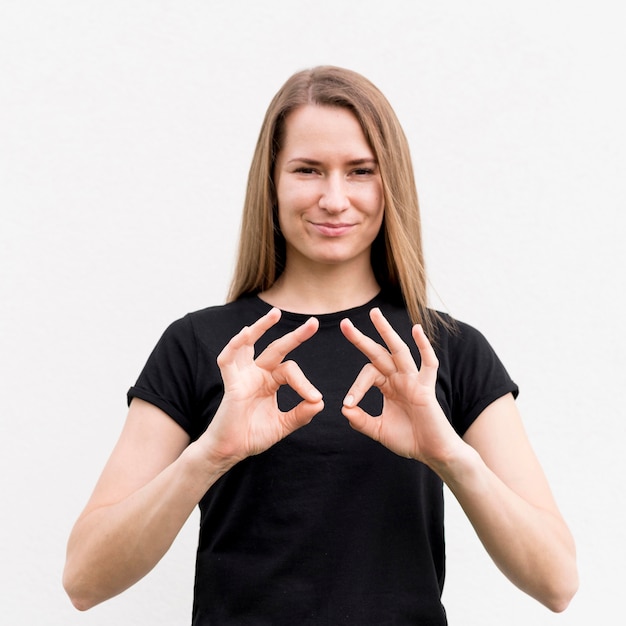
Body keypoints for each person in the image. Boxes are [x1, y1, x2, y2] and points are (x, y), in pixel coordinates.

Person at [63, 66, 578, 624]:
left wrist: (449, 455)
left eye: (360, 172)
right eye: (308, 170)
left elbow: (557, 582)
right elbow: (85, 579)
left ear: (391, 184)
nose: (335, 199)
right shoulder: (204, 345)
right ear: (272, 182)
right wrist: (208, 456)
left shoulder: (443, 350)